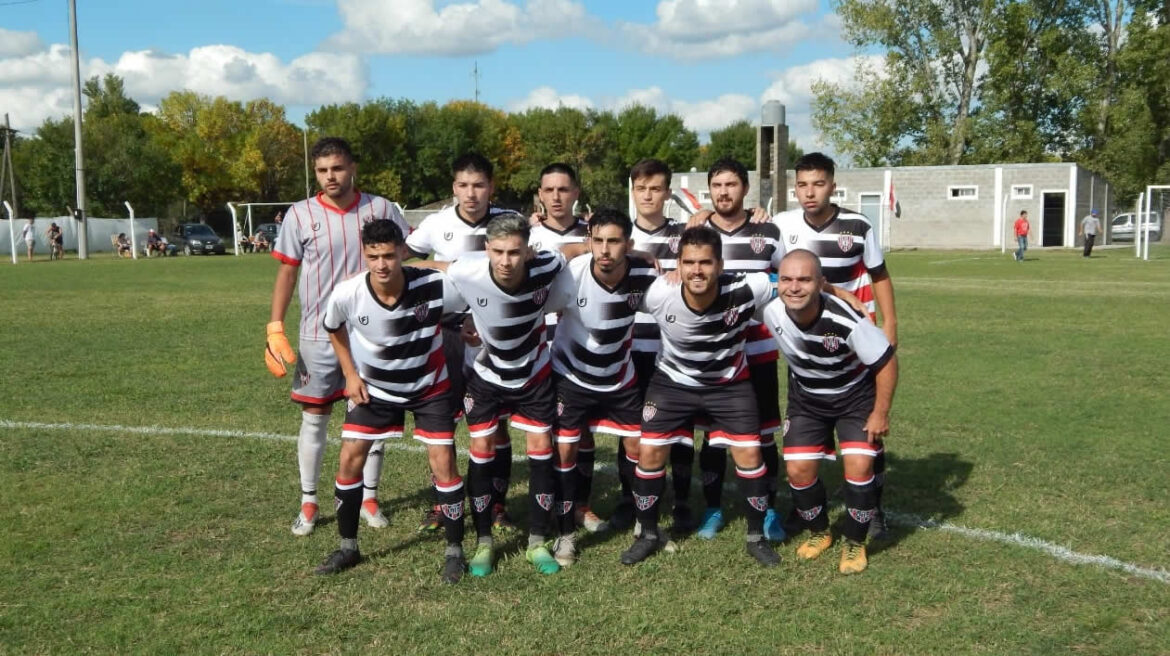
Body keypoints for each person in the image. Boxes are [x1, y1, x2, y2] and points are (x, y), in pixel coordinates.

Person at [266, 137, 410, 537]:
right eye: (322, 170)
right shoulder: (299, 214)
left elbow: (407, 256)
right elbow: (287, 272)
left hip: (373, 333)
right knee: (315, 419)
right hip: (317, 333)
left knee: (372, 419)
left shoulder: (381, 209)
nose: (330, 176)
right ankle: (309, 501)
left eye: (338, 168)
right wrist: (274, 326)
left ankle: (369, 498)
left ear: (352, 168)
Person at [314, 220, 469, 582]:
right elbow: (333, 327)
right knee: (349, 457)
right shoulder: (348, 293)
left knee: (444, 461)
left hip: (429, 387)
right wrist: (350, 374)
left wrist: (468, 324)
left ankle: (454, 551)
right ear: (364, 254)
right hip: (375, 389)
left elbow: (472, 301)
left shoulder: (433, 284)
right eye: (373, 257)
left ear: (402, 251)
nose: (382, 265)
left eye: (388, 255)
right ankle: (348, 547)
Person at [624, 225, 781, 567]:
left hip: (729, 385)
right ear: (678, 265)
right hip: (672, 383)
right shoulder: (659, 294)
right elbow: (612, 268)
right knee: (649, 452)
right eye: (689, 262)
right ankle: (647, 534)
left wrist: (845, 296)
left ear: (720, 265)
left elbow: (799, 283)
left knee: (750, 453)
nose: (697, 270)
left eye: (706, 262)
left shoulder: (747, 287)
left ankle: (756, 538)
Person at [770, 151, 898, 540]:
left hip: (852, 340)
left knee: (867, 433)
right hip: (806, 340)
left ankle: (873, 509)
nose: (810, 192)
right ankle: (805, 506)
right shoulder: (782, 225)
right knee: (807, 423)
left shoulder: (857, 225)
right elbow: (779, 273)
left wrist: (891, 324)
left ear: (833, 186)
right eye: (802, 185)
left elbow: (879, 274)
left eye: (818, 184)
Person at [444, 213, 576, 576]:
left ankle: (537, 542)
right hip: (486, 376)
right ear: (486, 248)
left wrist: (638, 255)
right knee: (482, 448)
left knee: (541, 448)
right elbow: (434, 271)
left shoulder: (545, 265)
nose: (506, 261)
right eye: (498, 251)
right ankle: (484, 543)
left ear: (528, 252)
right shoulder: (467, 270)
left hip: (533, 375)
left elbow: (572, 250)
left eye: (515, 252)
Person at [405, 153, 526, 534]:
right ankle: (445, 503)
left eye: (478, 185)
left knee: (497, 425)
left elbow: (530, 261)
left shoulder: (510, 221)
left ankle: (497, 504)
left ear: (491, 187)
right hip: (447, 333)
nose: (471, 193)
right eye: (463, 185)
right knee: (443, 422)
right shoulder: (436, 223)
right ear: (453, 187)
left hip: (493, 334)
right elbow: (402, 260)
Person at [763, 249, 898, 574]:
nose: (794, 287)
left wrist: (880, 413)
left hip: (855, 399)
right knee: (798, 471)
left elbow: (886, 362)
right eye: (787, 279)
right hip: (807, 401)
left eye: (804, 280)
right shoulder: (770, 308)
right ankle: (820, 532)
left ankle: (855, 542)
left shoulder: (847, 320)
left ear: (821, 283)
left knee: (859, 466)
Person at [681, 157, 787, 543]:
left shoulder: (768, 231)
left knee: (763, 433)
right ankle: (713, 509)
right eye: (717, 185)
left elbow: (786, 277)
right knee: (712, 435)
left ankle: (769, 509)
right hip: (713, 352)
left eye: (731, 184)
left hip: (758, 348)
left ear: (745, 188)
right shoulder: (696, 230)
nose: (723, 192)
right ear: (709, 190)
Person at [549, 207, 657, 566]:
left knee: (641, 447)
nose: (605, 250)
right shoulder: (571, 275)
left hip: (619, 376)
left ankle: (645, 524)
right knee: (566, 450)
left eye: (614, 241)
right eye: (598, 241)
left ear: (629, 244)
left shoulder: (645, 274)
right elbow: (533, 305)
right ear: (588, 241)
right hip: (571, 376)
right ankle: (566, 533)